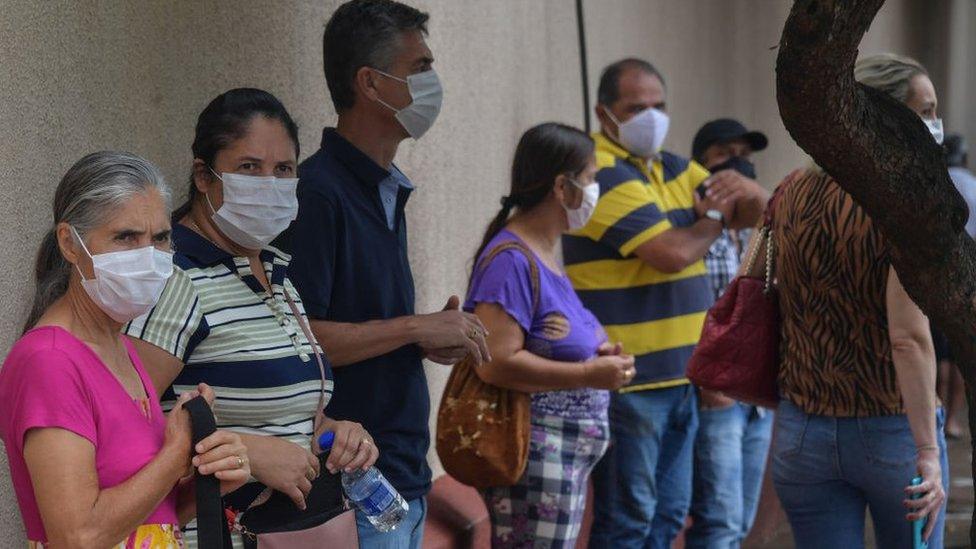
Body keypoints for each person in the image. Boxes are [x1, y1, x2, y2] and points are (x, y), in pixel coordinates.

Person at [125, 88, 378, 548]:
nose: (270, 183)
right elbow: (122, 423)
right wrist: (245, 452)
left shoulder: (277, 273)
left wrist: (334, 433)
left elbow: (284, 415)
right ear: (204, 176)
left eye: (283, 169)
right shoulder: (177, 279)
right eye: (249, 168)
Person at [284, 1, 489, 547]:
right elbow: (300, 340)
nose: (432, 82)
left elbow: (363, 327)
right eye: (419, 67)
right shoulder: (318, 193)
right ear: (370, 84)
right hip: (351, 485)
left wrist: (424, 339)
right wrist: (415, 329)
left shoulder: (384, 187)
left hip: (401, 475)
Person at [562, 58, 768, 548]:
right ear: (603, 112)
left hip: (683, 377)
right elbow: (672, 254)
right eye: (636, 108)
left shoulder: (674, 167)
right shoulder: (599, 174)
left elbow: (752, 215)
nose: (650, 117)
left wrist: (748, 194)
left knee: (669, 515)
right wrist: (713, 219)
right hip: (630, 382)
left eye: (659, 106)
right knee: (628, 520)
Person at [0, 151, 249, 548]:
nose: (147, 256)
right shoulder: (48, 361)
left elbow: (145, 519)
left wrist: (209, 480)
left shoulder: (120, 349)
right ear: (70, 243)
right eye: (126, 237)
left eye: (160, 238)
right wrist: (177, 451)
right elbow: (78, 536)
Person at [771, 53, 948, 548]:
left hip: (802, 429)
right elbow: (908, 338)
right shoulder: (902, 202)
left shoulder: (791, 190)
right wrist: (928, 451)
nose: (935, 124)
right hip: (892, 426)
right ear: (886, 116)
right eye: (926, 110)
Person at [466, 123, 635, 548]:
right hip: (537, 459)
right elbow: (495, 362)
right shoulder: (512, 260)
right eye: (592, 178)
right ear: (563, 186)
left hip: (562, 462)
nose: (596, 190)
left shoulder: (543, 253)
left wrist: (601, 360)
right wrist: (588, 374)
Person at [686, 118, 773, 548]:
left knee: (740, 522)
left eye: (744, 153)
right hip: (717, 395)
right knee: (719, 521)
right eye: (724, 154)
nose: (737, 163)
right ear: (700, 165)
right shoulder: (696, 229)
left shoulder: (762, 232)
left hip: (757, 401)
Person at [936, 134, 975, 438]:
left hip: (934, 278)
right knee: (960, 354)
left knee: (936, 353)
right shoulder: (974, 187)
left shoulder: (932, 181)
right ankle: (952, 420)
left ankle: (935, 415)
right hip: (969, 281)